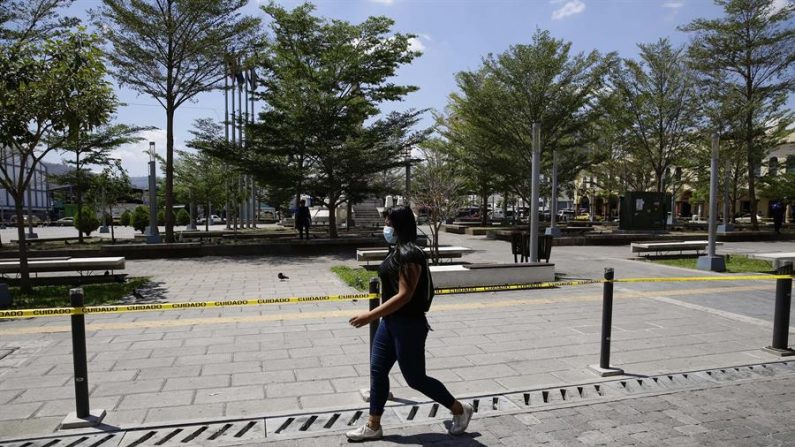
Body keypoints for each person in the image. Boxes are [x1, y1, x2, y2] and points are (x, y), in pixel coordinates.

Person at [346, 206, 473, 441]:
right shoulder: (397, 251)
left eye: (388, 223)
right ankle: (373, 425)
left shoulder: (410, 254)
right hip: (390, 323)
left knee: (415, 379)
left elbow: (405, 295)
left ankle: (459, 409)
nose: (386, 228)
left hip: (409, 325)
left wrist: (369, 316)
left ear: (399, 225)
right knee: (378, 371)